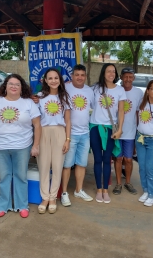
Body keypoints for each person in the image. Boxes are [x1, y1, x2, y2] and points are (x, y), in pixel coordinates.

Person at [0, 74, 41, 218]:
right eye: (11, 84)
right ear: (5, 86)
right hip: (1, 146)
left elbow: (37, 125)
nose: (14, 86)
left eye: (17, 84)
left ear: (21, 88)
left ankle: (22, 205)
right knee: (5, 176)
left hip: (22, 146)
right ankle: (3, 206)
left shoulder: (28, 103)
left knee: (20, 176)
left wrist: (36, 145)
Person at [90, 63, 126, 203]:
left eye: (113, 71)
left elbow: (121, 111)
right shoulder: (95, 88)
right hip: (95, 127)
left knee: (107, 160)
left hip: (111, 128)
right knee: (98, 160)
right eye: (108, 71)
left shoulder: (120, 90)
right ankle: (99, 189)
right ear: (103, 73)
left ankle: (106, 190)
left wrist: (120, 129)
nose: (111, 74)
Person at [37, 68, 71, 214]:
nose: (53, 81)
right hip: (43, 132)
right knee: (43, 166)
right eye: (50, 78)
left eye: (56, 78)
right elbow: (36, 121)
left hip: (59, 132)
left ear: (60, 79)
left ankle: (52, 198)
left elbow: (68, 121)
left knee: (57, 166)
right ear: (45, 80)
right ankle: (44, 197)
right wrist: (36, 140)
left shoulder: (64, 97)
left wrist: (67, 140)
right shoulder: (39, 97)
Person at [61, 64, 94, 206]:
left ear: (85, 76)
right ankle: (64, 193)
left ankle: (78, 190)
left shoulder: (89, 91)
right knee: (67, 165)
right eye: (77, 75)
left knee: (81, 164)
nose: (79, 77)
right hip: (70, 134)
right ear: (72, 76)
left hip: (85, 134)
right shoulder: (65, 88)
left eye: (82, 75)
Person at [112, 67, 143, 195]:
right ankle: (118, 183)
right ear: (121, 77)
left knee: (129, 159)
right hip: (117, 132)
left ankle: (128, 182)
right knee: (118, 159)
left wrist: (137, 132)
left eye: (130, 77)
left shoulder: (138, 93)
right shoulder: (116, 90)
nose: (128, 79)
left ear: (134, 78)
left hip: (130, 132)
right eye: (126, 76)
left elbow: (138, 113)